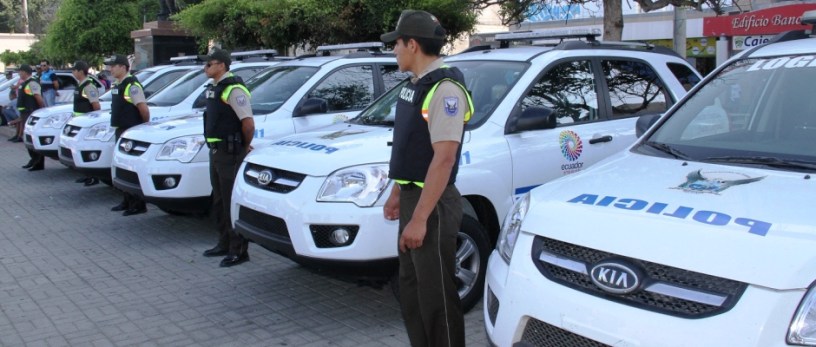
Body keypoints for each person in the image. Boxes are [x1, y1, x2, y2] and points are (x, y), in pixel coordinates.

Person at [380, 10, 473, 347]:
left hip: (431, 206)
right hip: (413, 198)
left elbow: (444, 158)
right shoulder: (416, 85)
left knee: (436, 298)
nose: (394, 51)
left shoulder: (445, 89)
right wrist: (396, 191)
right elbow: (410, 147)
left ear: (413, 44)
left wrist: (419, 219)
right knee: (412, 290)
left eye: (397, 44)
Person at [199, 49, 253, 268]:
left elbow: (248, 123)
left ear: (222, 65)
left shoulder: (234, 89)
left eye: (209, 64)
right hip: (216, 150)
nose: (205, 68)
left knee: (230, 200)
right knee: (219, 199)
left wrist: (243, 146)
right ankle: (223, 242)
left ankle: (238, 250)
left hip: (230, 152)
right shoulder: (214, 88)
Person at [105, 54, 149, 216]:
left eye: (114, 66)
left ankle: (138, 204)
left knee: (131, 168)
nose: (111, 69)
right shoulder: (119, 84)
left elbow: (143, 109)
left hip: (131, 131)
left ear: (123, 67)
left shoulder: (132, 85)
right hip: (121, 130)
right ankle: (127, 200)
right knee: (122, 166)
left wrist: (142, 128)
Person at [71, 60, 102, 186]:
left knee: (88, 150)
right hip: (79, 123)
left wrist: (93, 121)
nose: (73, 72)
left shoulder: (88, 86)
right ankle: (85, 175)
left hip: (87, 124)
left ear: (80, 71)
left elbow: (96, 105)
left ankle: (93, 177)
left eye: (74, 70)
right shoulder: (80, 85)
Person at [16, 64, 47, 171]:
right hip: (25, 113)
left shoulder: (32, 83)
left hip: (31, 113)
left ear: (25, 72)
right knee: (28, 139)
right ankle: (34, 160)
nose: (19, 73)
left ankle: (38, 162)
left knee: (32, 138)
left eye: (20, 71)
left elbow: (38, 98)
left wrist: (41, 111)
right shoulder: (25, 83)